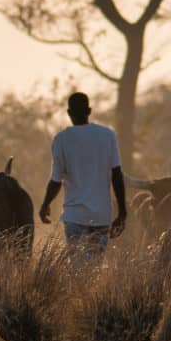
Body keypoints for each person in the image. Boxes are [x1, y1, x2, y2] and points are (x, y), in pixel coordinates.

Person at [39, 91, 126, 252]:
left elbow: (56, 180)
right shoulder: (107, 136)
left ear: (69, 113)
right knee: (94, 269)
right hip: (101, 215)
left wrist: (45, 205)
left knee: (77, 268)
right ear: (89, 111)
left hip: (75, 216)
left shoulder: (61, 139)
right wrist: (122, 213)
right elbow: (117, 175)